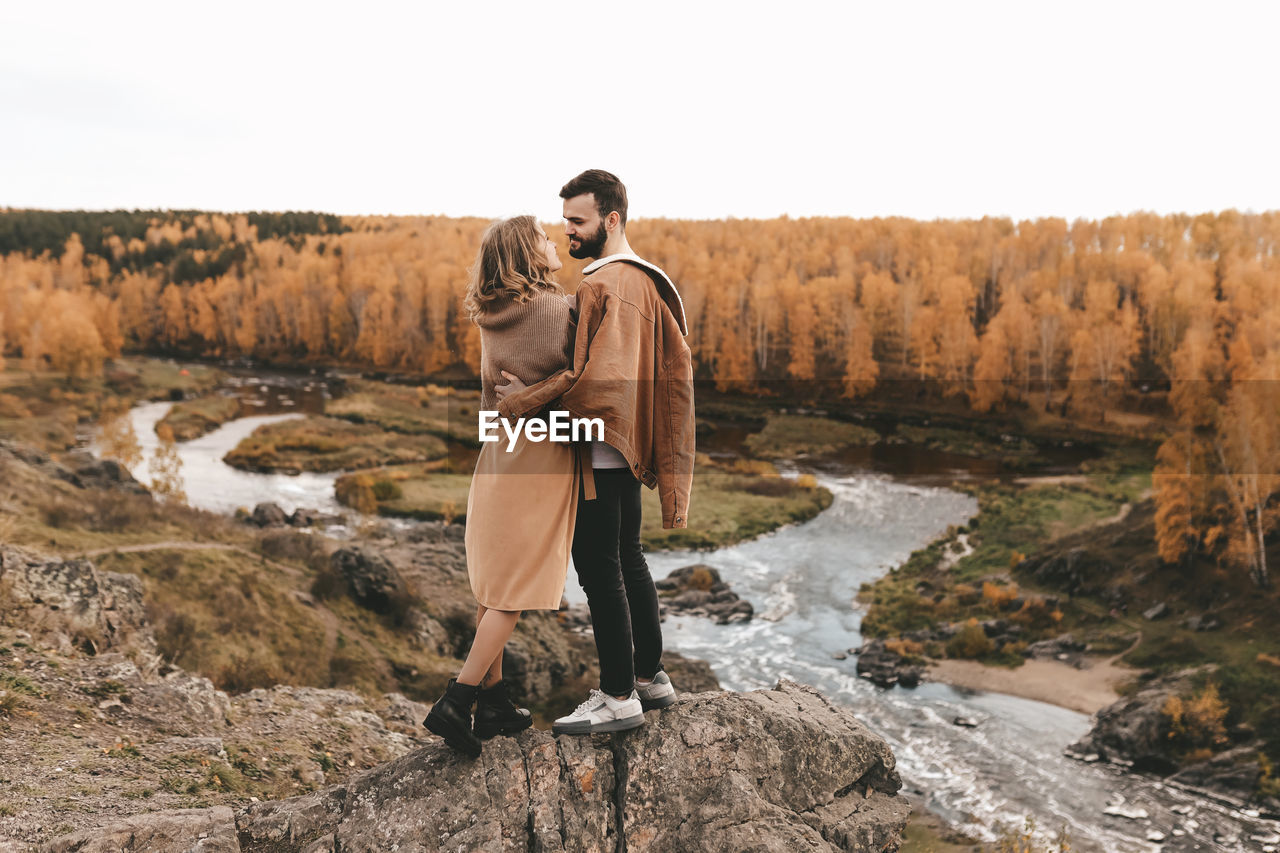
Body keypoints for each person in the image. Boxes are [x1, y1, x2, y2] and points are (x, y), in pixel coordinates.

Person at [496, 169, 695, 736]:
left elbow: (586, 378)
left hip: (600, 441)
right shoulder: (649, 281)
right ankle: (650, 676)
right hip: (628, 439)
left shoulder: (602, 283)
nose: (568, 233)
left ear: (611, 220)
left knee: (598, 565)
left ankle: (616, 696)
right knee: (628, 555)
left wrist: (521, 401)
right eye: (564, 222)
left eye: (578, 222)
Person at [423, 215, 580, 757]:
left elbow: (502, 394)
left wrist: (524, 392)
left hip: (498, 450)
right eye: (542, 237)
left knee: (494, 586)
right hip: (539, 451)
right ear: (525, 253)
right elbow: (583, 376)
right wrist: (551, 386)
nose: (553, 241)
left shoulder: (492, 313)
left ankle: (493, 703)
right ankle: (457, 699)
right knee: (512, 591)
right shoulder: (558, 309)